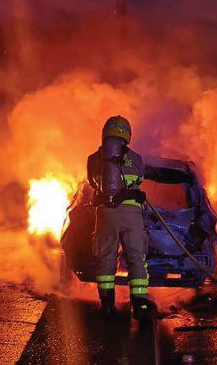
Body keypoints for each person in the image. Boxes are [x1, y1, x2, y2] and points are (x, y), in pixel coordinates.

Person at [87, 115, 157, 320]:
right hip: (131, 215)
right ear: (127, 135)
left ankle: (107, 306)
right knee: (136, 258)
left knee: (106, 259)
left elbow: (92, 182)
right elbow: (140, 179)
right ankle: (140, 303)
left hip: (105, 214)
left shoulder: (93, 159)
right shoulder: (136, 159)